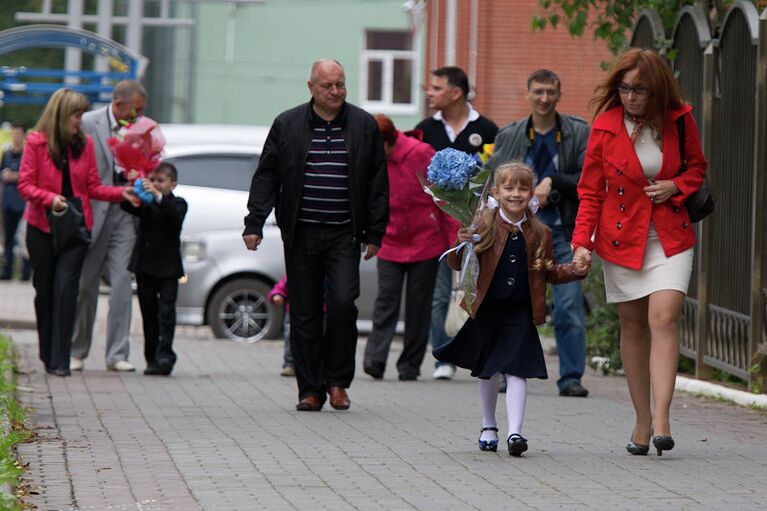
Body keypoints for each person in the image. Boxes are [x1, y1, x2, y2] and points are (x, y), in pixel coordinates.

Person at [572, 48, 707, 456]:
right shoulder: (605, 126)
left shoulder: (679, 119)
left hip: (669, 234)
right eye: (625, 88)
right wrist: (582, 243)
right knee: (633, 328)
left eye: (640, 89)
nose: (630, 96)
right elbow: (590, 191)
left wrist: (675, 186)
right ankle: (641, 421)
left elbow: (697, 168)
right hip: (620, 237)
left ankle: (663, 418)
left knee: (664, 316)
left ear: (657, 89)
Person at [243, 59, 388, 412]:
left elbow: (377, 183)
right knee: (304, 311)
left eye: (340, 84)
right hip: (301, 233)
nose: (336, 91)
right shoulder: (288, 124)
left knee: (342, 304)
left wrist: (375, 231)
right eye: (328, 86)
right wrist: (255, 222)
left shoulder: (363, 125)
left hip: (344, 234)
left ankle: (337, 382)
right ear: (311, 87)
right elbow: (267, 176)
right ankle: (310, 389)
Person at [434, 162, 589, 456]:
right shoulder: (481, 225)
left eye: (522, 188)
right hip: (488, 309)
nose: (515, 194)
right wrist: (461, 242)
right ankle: (489, 424)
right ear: (496, 192)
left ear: (532, 194)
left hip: (520, 312)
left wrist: (576, 271)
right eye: (509, 188)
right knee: (489, 371)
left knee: (518, 370)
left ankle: (516, 432)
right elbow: (458, 264)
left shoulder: (540, 232)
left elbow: (551, 271)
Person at [487, 69, 591, 398]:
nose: (544, 98)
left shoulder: (577, 132)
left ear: (559, 94)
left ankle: (571, 376)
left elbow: (588, 181)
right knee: (510, 303)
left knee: (569, 304)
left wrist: (555, 181)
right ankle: (507, 368)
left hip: (560, 228)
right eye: (538, 92)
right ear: (527, 94)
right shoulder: (510, 134)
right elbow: (495, 184)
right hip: (517, 231)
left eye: (550, 92)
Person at [17, 88, 133, 376]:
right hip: (42, 227)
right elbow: (25, 184)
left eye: (82, 114)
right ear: (60, 115)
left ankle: (62, 360)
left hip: (76, 230)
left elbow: (92, 187)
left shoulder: (86, 144)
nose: (80, 120)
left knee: (68, 289)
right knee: (44, 292)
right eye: (76, 115)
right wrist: (50, 198)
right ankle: (48, 354)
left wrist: (122, 193)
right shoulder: (36, 143)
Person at [415, 66, 498, 381]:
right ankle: (443, 356)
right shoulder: (425, 128)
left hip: (481, 225)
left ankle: (483, 354)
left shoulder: (487, 129)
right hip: (439, 227)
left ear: (456, 92)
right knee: (439, 293)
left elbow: (496, 173)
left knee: (482, 290)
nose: (429, 93)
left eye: (436, 88)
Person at [362, 114, 446, 381]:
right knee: (385, 300)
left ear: (390, 141)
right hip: (390, 239)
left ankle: (409, 365)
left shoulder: (421, 153)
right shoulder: (372, 156)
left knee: (418, 305)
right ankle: (374, 360)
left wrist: (454, 234)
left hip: (425, 241)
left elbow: (442, 195)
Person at [71, 80, 147, 372]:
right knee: (86, 284)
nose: (140, 116)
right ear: (118, 105)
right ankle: (78, 349)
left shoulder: (142, 129)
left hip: (125, 213)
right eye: (136, 110)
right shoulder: (88, 123)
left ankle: (117, 354)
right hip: (95, 209)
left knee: (122, 284)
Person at [121, 162, 187, 376]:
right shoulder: (146, 203)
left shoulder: (178, 203)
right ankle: (151, 358)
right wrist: (131, 186)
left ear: (173, 184)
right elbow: (127, 205)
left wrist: (158, 197)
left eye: (161, 181)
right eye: (153, 180)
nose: (156, 185)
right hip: (145, 267)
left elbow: (174, 219)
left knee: (166, 313)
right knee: (148, 313)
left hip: (168, 269)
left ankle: (166, 355)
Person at [1, 124, 32, 280]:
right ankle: (7, 272)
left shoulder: (28, 154)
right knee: (9, 238)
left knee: (25, 238)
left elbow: (31, 174)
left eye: (18, 134)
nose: (16, 137)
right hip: (8, 202)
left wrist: (18, 176)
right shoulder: (6, 153)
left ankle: (25, 274)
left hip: (23, 202)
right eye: (14, 134)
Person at [268, 275, 295, 377]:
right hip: (294, 312)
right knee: (290, 336)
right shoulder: (295, 273)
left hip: (322, 312)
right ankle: (290, 364)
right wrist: (277, 295)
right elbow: (279, 288)